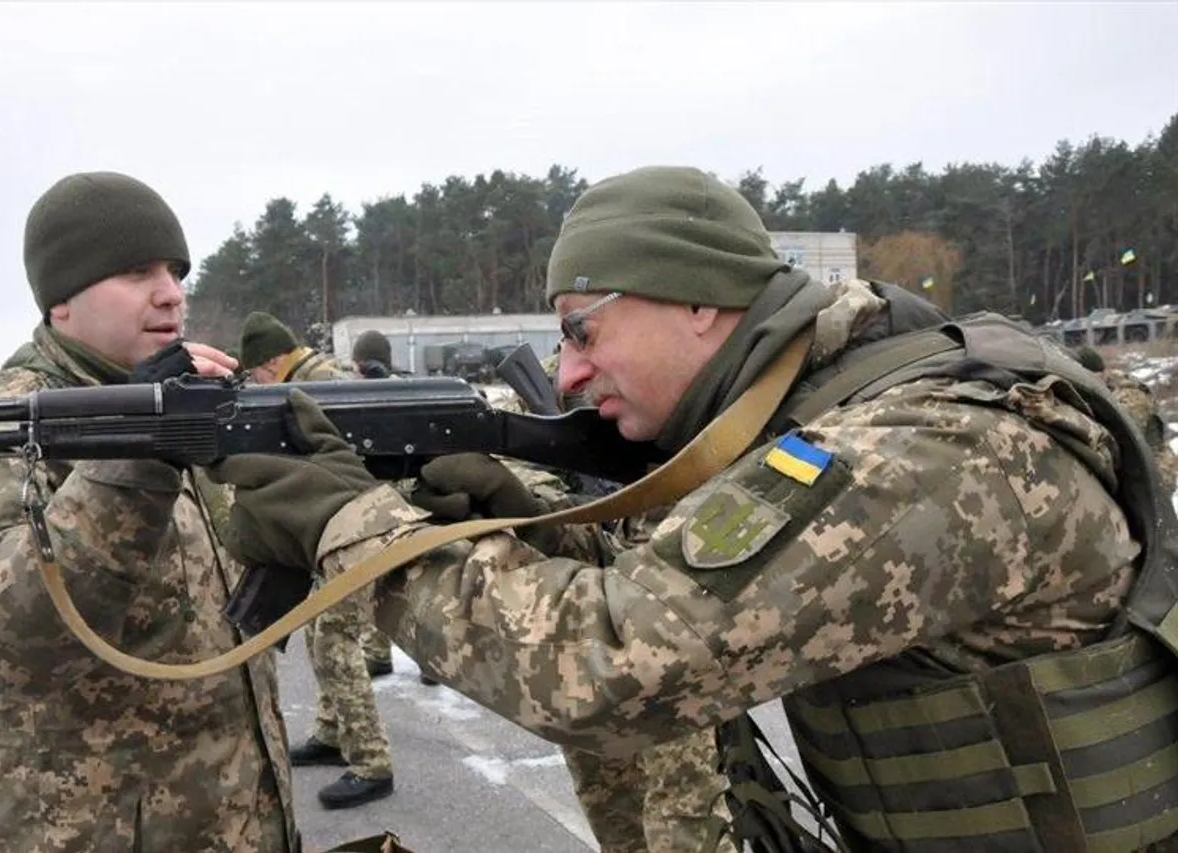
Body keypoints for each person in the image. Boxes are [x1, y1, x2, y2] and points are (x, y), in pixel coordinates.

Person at [211, 166, 1178, 852]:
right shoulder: (830, 407)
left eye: (583, 330)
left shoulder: (918, 451)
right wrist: (536, 517)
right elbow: (690, 566)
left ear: (701, 302)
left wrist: (355, 524)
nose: (569, 370)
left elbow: (613, 667)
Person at [0, 171, 300, 853]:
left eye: (177, 272)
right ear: (62, 299)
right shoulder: (1, 423)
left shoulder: (188, 395)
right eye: (135, 270)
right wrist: (139, 454)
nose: (171, 293)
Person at [495, 353, 738, 853]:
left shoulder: (675, 379)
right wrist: (546, 503)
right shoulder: (559, 381)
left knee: (684, 809)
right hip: (583, 625)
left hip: (667, 634)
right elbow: (515, 462)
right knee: (606, 794)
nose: (575, 360)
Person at [239, 311, 396, 809]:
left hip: (358, 528)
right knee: (321, 632)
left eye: (256, 372)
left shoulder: (319, 385)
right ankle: (332, 732)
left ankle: (372, 763)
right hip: (347, 527)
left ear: (273, 360)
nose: (256, 382)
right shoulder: (313, 380)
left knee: (333, 637)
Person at [1075, 344, 1178, 492]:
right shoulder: (1105, 388)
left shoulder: (1129, 396)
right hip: (1136, 470)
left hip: (1156, 473)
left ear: (1100, 374)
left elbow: (1123, 440)